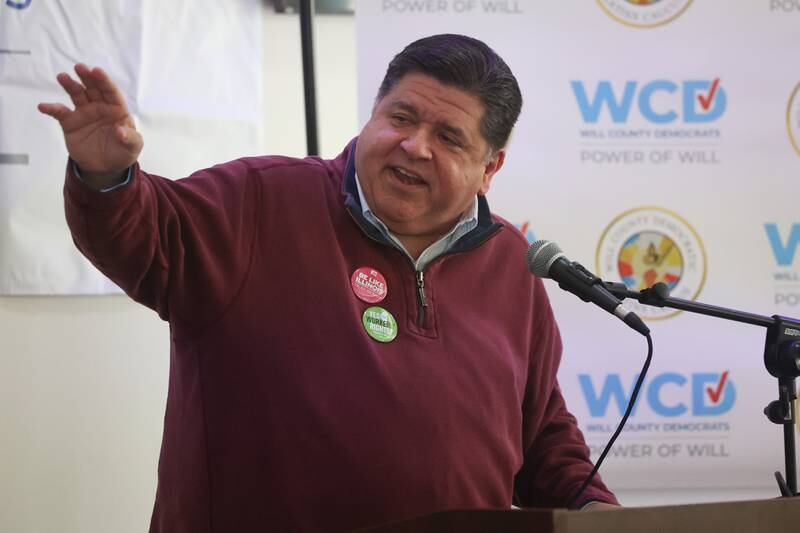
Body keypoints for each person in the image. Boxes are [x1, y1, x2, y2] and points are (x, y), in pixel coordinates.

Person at [38, 34, 617, 533]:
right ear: (373, 116)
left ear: (490, 168)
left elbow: (539, 432)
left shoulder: (513, 265)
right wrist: (107, 176)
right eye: (401, 117)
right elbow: (144, 235)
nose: (415, 145)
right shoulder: (260, 200)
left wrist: (594, 507)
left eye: (449, 137)